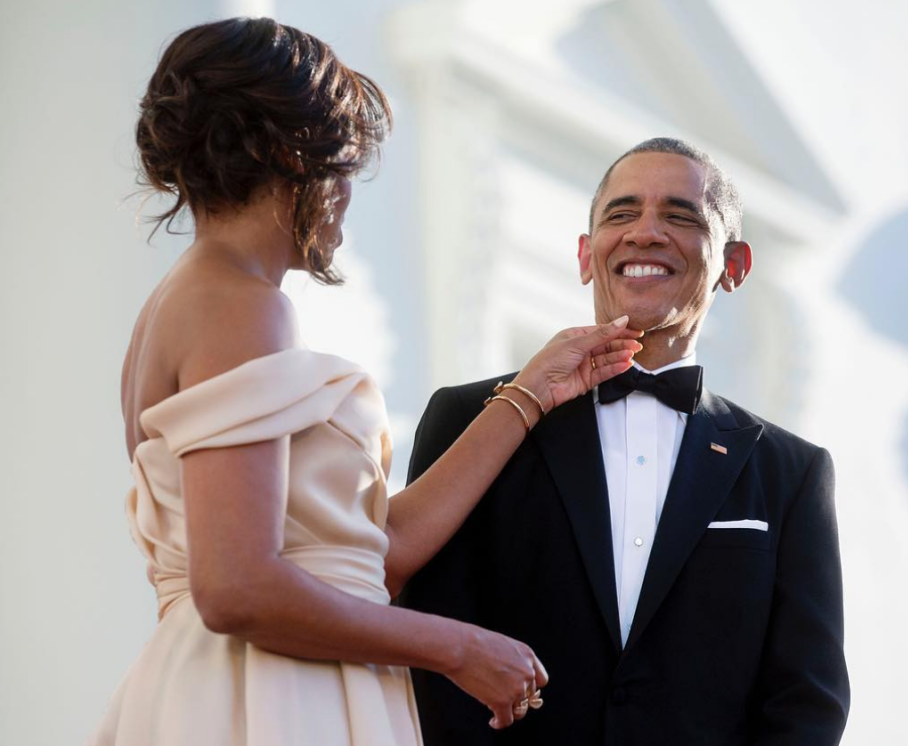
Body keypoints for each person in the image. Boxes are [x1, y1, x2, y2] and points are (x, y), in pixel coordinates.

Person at [87, 17, 645, 746]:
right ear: (296, 156)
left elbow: (371, 554)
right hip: (262, 701)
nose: (349, 195)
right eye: (346, 165)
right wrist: (457, 648)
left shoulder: (199, 299)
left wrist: (533, 392)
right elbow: (237, 589)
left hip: (273, 687)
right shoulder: (240, 305)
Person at [401, 138, 850, 745]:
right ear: (587, 255)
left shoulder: (791, 471)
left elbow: (807, 701)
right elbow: (426, 637)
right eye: (621, 213)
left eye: (680, 216)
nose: (644, 232)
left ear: (734, 266)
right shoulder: (469, 417)